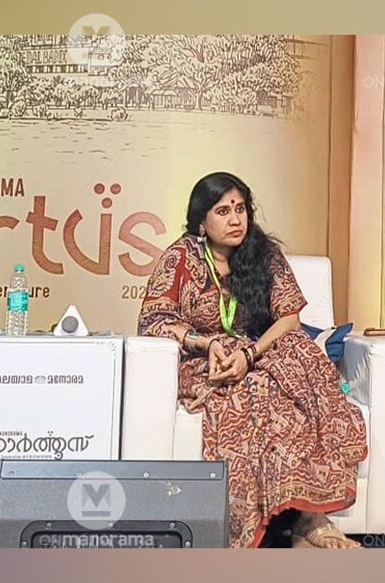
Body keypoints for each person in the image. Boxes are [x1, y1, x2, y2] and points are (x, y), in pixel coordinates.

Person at [138, 171, 367, 549]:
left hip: (258, 350)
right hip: (205, 358)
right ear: (201, 221)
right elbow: (154, 320)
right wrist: (206, 342)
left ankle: (311, 516)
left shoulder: (264, 253)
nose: (235, 219)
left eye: (240, 209)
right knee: (256, 391)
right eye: (223, 211)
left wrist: (250, 354)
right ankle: (259, 520)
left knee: (298, 367)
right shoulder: (180, 258)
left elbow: (289, 319)